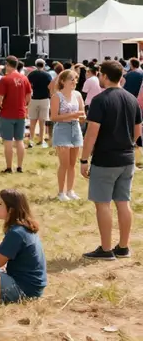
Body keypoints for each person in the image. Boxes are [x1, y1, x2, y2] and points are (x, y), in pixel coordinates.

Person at [81, 60, 142, 259]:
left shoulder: (100, 100)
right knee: (123, 202)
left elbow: (92, 133)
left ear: (105, 76)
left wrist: (84, 160)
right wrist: (128, 144)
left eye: (100, 74)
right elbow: (137, 130)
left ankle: (106, 249)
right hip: (127, 157)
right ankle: (123, 247)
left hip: (105, 159)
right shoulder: (131, 99)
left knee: (103, 203)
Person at [50, 69, 86, 201]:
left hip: (75, 128)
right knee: (64, 164)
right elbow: (54, 117)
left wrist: (82, 117)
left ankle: (70, 190)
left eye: (75, 79)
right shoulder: (56, 96)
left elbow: (82, 113)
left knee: (72, 163)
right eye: (72, 79)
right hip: (62, 130)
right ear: (63, 81)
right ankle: (61, 192)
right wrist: (73, 115)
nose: (74, 81)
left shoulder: (78, 95)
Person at [0, 56, 32, 174]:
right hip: (20, 113)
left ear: (7, 64)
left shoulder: (5, 79)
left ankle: (9, 167)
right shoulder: (24, 78)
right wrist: (24, 106)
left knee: (8, 141)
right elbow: (28, 96)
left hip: (7, 113)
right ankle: (20, 167)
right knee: (19, 140)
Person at [27, 59, 52, 148]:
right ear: (43, 65)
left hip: (34, 99)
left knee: (32, 121)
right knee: (42, 121)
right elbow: (50, 86)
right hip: (45, 99)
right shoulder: (47, 75)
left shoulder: (31, 74)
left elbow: (28, 86)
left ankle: (31, 140)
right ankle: (41, 140)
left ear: (36, 64)